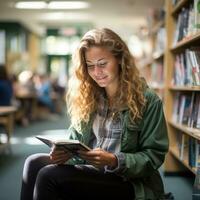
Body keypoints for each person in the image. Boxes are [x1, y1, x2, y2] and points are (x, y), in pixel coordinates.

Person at [20, 28, 169, 200]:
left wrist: (114, 160)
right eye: (90, 66)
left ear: (120, 60)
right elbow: (75, 141)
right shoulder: (88, 97)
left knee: (49, 176)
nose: (96, 72)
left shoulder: (147, 100)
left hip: (128, 182)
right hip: (92, 172)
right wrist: (64, 154)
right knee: (33, 163)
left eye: (102, 63)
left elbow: (153, 157)